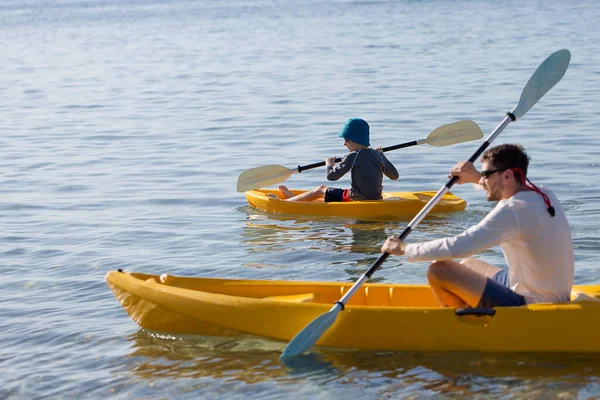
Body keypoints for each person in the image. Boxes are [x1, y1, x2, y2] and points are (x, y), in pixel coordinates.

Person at [381, 144, 574, 308]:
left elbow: (459, 246)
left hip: (533, 302)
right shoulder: (543, 194)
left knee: (439, 270)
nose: (483, 179)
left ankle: (467, 327)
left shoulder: (512, 210)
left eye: (486, 174)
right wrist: (475, 177)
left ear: (507, 176)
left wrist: (405, 249)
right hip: (541, 287)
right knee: (469, 265)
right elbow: (501, 190)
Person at [276, 118, 399, 202]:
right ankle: (293, 198)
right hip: (376, 198)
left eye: (346, 140)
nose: (344, 144)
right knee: (328, 195)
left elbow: (332, 177)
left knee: (320, 190)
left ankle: (287, 202)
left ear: (356, 139)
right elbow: (395, 176)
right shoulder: (377, 155)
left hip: (355, 198)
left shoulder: (353, 156)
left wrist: (329, 165)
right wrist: (382, 155)